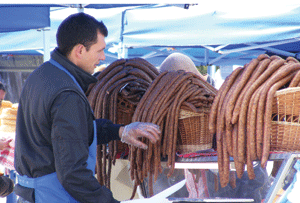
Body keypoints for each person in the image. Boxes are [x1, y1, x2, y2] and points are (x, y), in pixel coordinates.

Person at [14, 13, 162, 203]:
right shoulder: (67, 94)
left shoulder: (41, 75)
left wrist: (120, 131)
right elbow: (73, 174)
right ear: (80, 50)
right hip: (54, 196)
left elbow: (71, 132)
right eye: (99, 50)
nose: (102, 57)